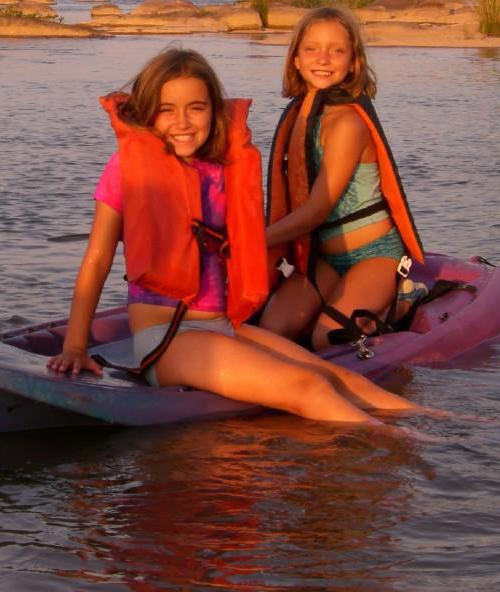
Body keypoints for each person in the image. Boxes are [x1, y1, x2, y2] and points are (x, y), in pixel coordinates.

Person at [46, 47, 426, 425]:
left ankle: (446, 424)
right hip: (165, 338)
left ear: (214, 110)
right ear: (147, 113)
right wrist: (76, 346)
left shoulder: (219, 169)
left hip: (222, 325)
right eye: (167, 109)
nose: (182, 121)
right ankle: (412, 448)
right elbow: (97, 261)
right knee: (306, 387)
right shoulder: (127, 170)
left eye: (196, 107)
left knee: (336, 377)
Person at [261, 7, 424, 351]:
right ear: (295, 60)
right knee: (270, 330)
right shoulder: (300, 114)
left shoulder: (348, 123)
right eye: (311, 49)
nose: (323, 58)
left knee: (327, 337)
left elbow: (317, 211)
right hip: (323, 257)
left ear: (353, 62)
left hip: (373, 253)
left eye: (336, 50)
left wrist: (253, 241)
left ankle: (402, 298)